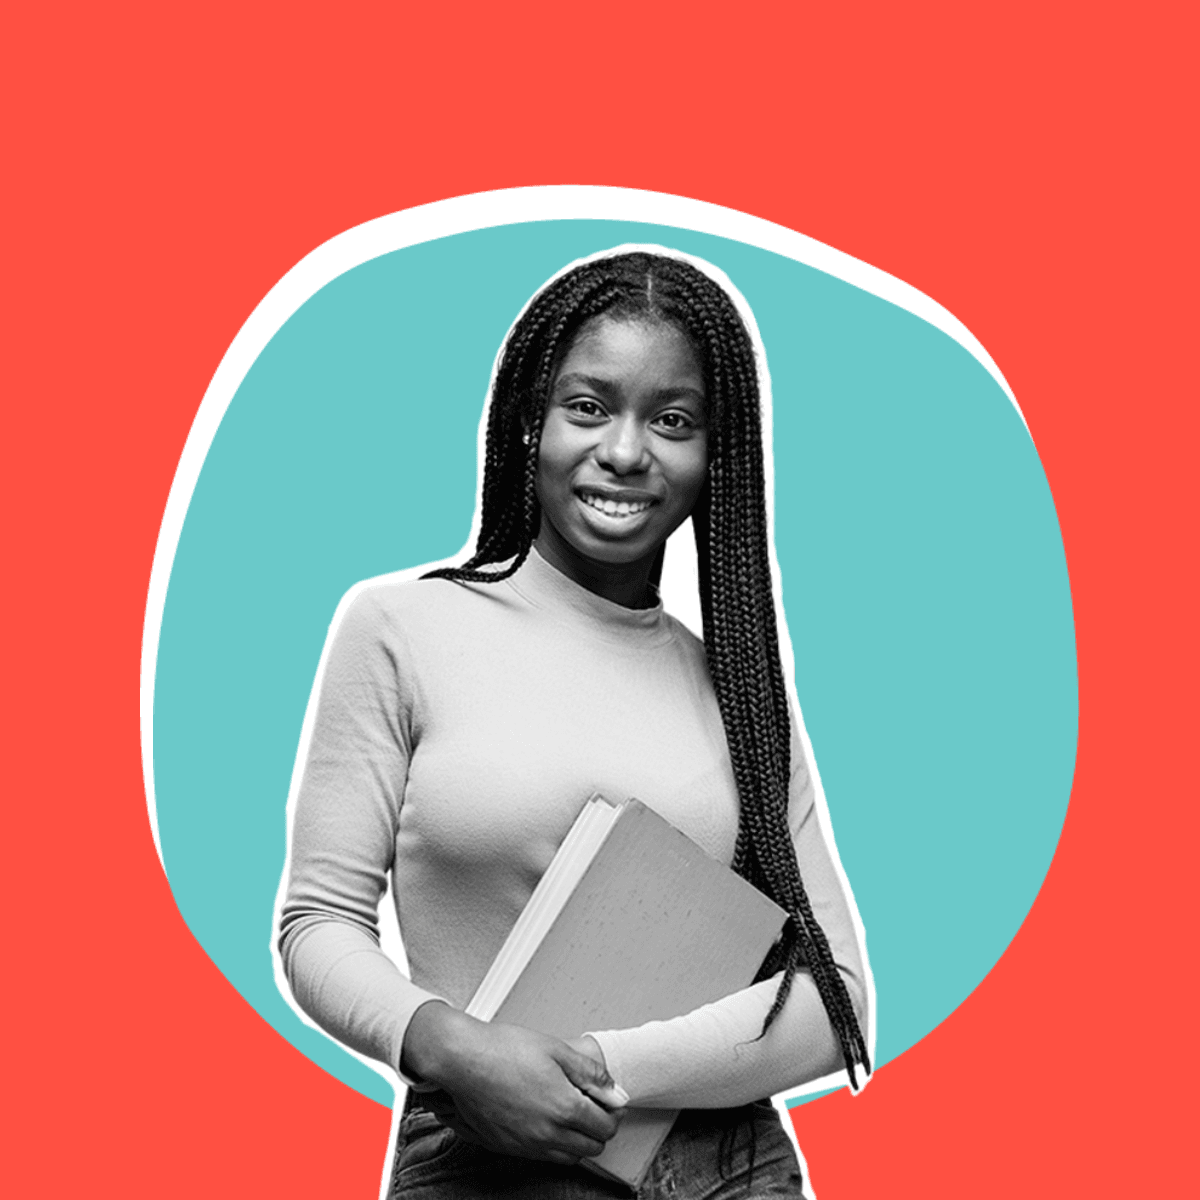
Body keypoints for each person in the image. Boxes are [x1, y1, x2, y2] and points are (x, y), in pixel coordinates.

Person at [277, 247, 872, 1197]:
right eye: (588, 407)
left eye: (672, 420)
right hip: (480, 1151)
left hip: (727, 1163)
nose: (627, 451)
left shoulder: (741, 691)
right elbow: (317, 924)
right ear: (529, 421)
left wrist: (594, 1064)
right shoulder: (403, 630)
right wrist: (455, 1050)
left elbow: (835, 1003)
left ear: (715, 454)